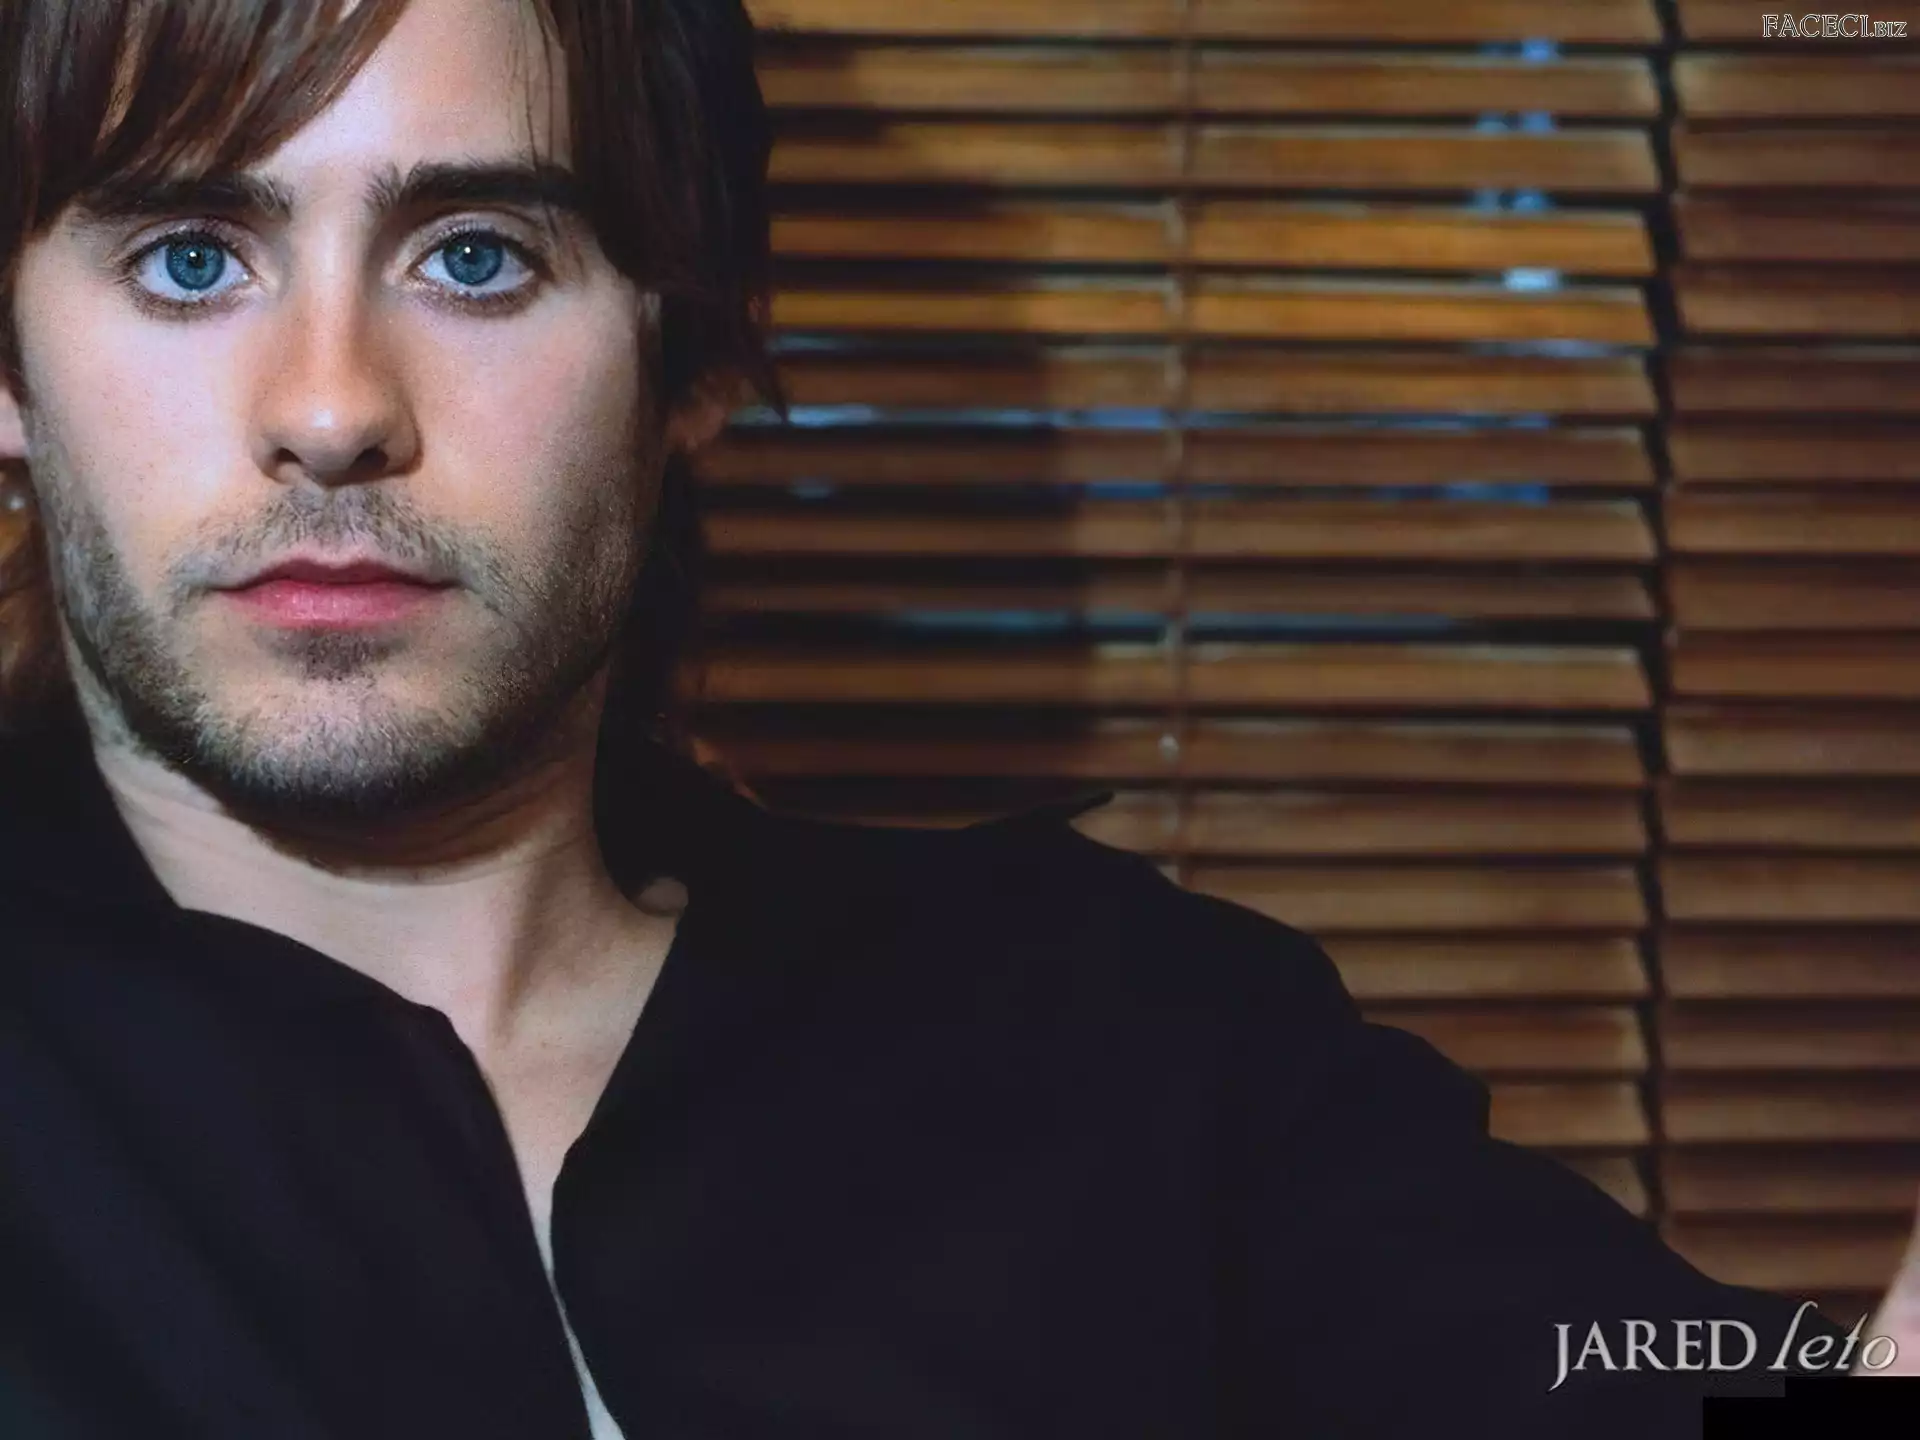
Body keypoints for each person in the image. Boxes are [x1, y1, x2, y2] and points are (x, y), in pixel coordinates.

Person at [0, 1, 1911, 1435]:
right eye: (189, 258)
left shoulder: (1147, 1053)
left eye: (478, 256)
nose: (333, 409)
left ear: (693, 357)